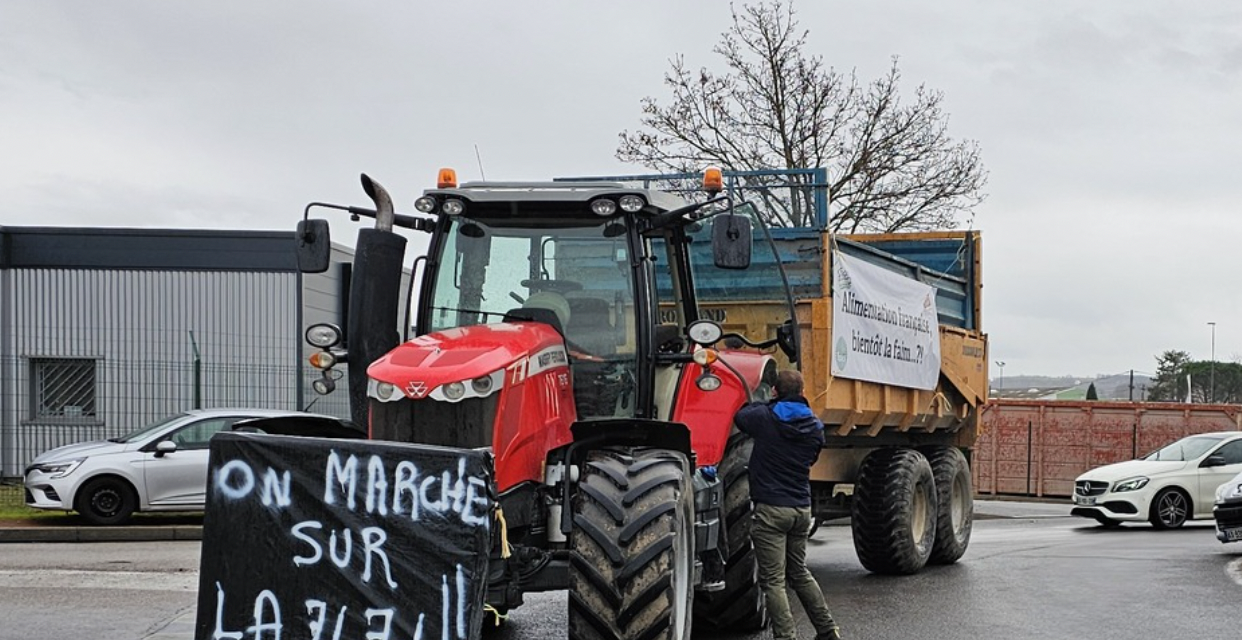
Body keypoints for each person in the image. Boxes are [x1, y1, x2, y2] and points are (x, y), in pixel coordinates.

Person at [734, 369, 842, 640]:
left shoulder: (765, 417)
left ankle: (786, 637)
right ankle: (828, 630)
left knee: (773, 582)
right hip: (801, 509)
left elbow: (741, 416)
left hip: (771, 509)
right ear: (803, 393)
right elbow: (812, 458)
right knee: (799, 573)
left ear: (774, 391)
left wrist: (767, 403)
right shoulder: (816, 427)